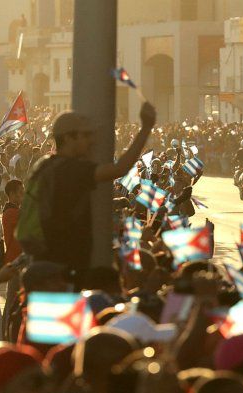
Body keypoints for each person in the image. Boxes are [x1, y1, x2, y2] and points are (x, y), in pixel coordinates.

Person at [36, 102, 156, 283]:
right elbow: (119, 169)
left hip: (45, 264)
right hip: (64, 270)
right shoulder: (73, 170)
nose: (91, 141)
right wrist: (146, 128)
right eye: (85, 135)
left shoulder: (45, 165)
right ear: (68, 138)